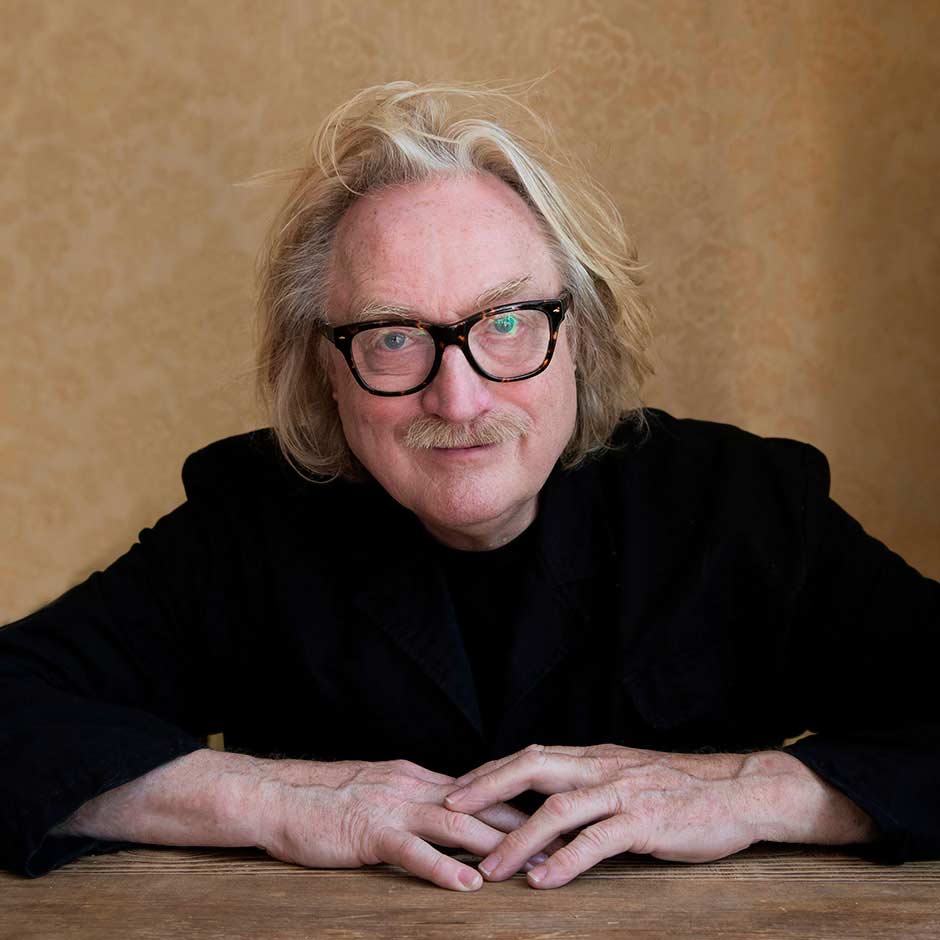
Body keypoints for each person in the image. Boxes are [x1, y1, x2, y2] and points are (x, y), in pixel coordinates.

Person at [1, 81, 938, 893]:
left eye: (508, 323)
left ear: (579, 336)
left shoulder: (743, 507)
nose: (458, 398)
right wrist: (270, 799)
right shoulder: (245, 525)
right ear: (327, 370)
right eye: (393, 337)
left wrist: (756, 792)